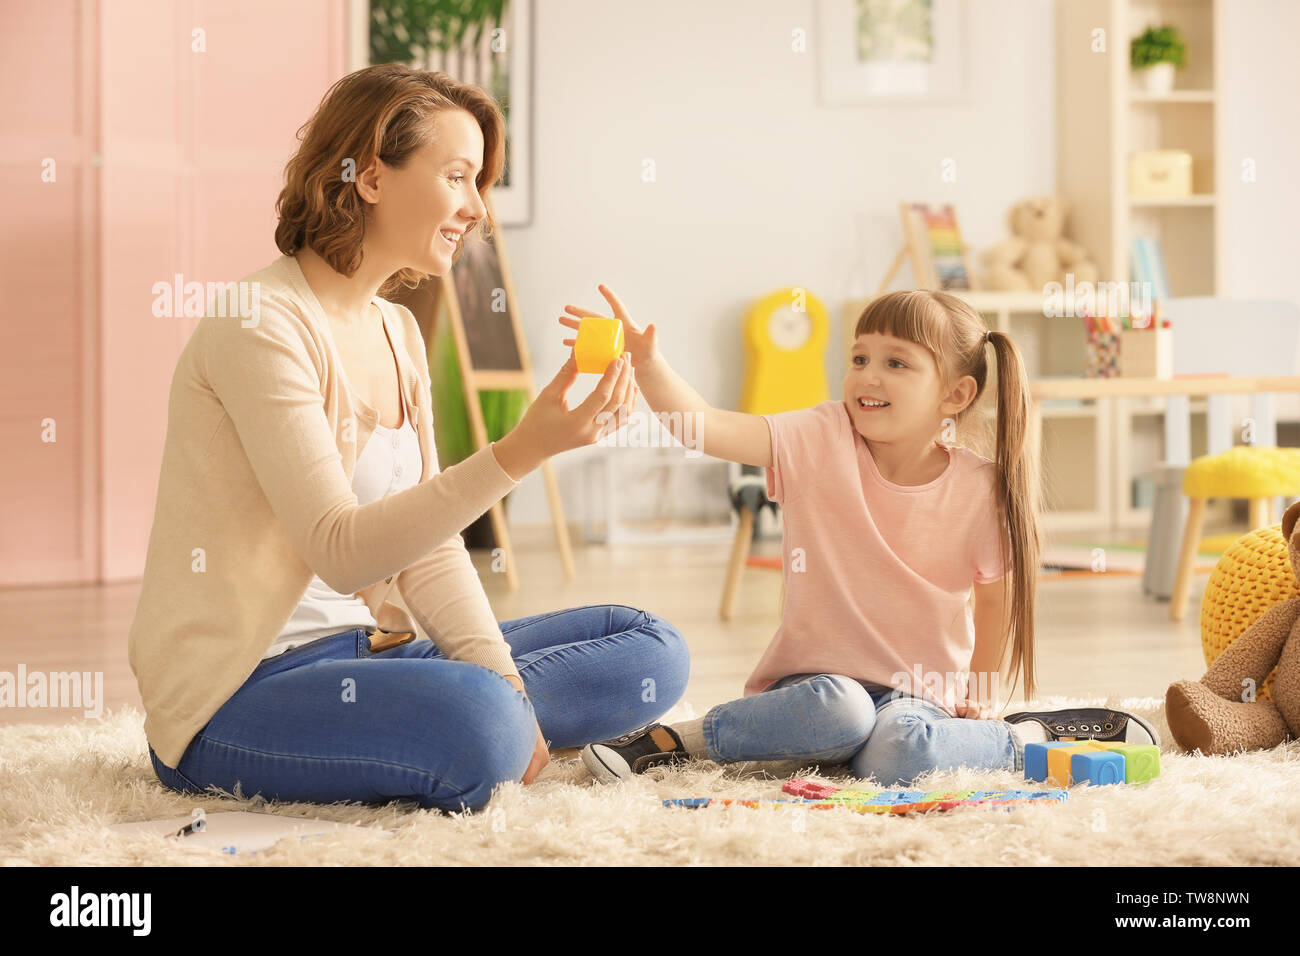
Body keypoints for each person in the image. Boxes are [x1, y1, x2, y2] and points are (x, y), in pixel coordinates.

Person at [128, 64, 689, 814]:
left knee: (650, 647)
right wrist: (520, 451)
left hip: (377, 656)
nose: (476, 210)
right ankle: (475, 725)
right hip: (242, 692)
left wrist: (504, 677)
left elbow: (428, 545)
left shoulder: (397, 330)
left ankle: (477, 720)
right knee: (479, 721)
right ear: (369, 177)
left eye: (480, 184)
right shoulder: (259, 322)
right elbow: (340, 549)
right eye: (458, 177)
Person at [570, 287, 1160, 786]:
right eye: (859, 358)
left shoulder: (981, 488)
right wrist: (648, 364)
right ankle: (673, 741)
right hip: (814, 689)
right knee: (842, 711)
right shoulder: (820, 437)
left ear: (955, 395)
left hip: (917, 697)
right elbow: (707, 429)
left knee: (904, 753)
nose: (867, 377)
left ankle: (1024, 738)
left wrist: (978, 691)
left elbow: (996, 595)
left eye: (895, 364)